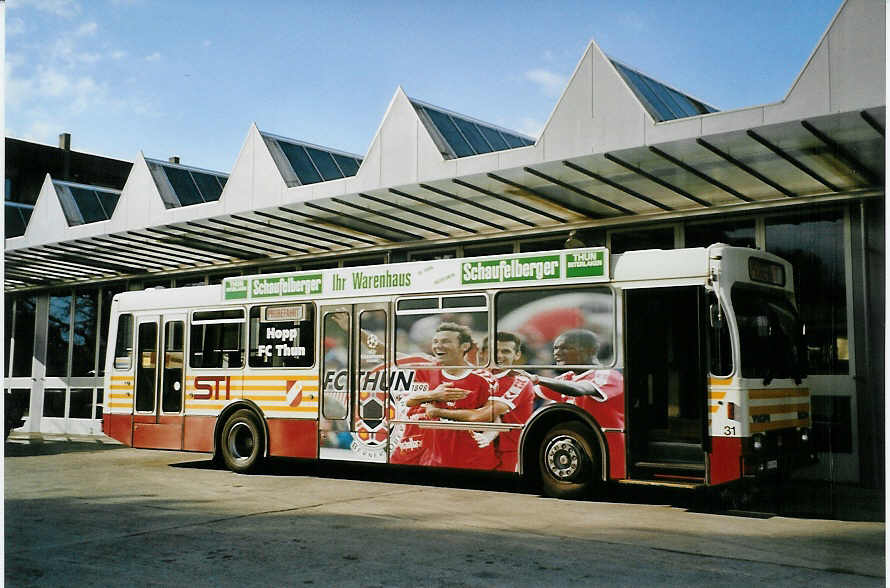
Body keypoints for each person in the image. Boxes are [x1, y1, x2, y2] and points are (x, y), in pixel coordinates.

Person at [425, 331, 535, 472]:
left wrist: (436, 412)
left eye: (506, 351)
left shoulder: (520, 381)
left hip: (508, 453)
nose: (499, 356)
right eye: (493, 351)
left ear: (517, 355)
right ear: (483, 353)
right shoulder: (474, 377)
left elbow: (481, 415)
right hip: (474, 452)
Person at [399, 322, 497, 470]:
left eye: (446, 341)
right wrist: (435, 394)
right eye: (435, 341)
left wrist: (488, 436)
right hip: (433, 460)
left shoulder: (483, 378)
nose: (438, 346)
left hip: (473, 461)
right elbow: (408, 401)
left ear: (464, 346)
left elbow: (493, 415)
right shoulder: (425, 371)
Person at [531, 329, 624, 429]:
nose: (557, 353)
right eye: (555, 348)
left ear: (590, 350)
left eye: (565, 348)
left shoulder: (608, 375)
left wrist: (537, 379)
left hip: (610, 443)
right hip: (581, 442)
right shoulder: (567, 377)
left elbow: (580, 389)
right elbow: (529, 393)